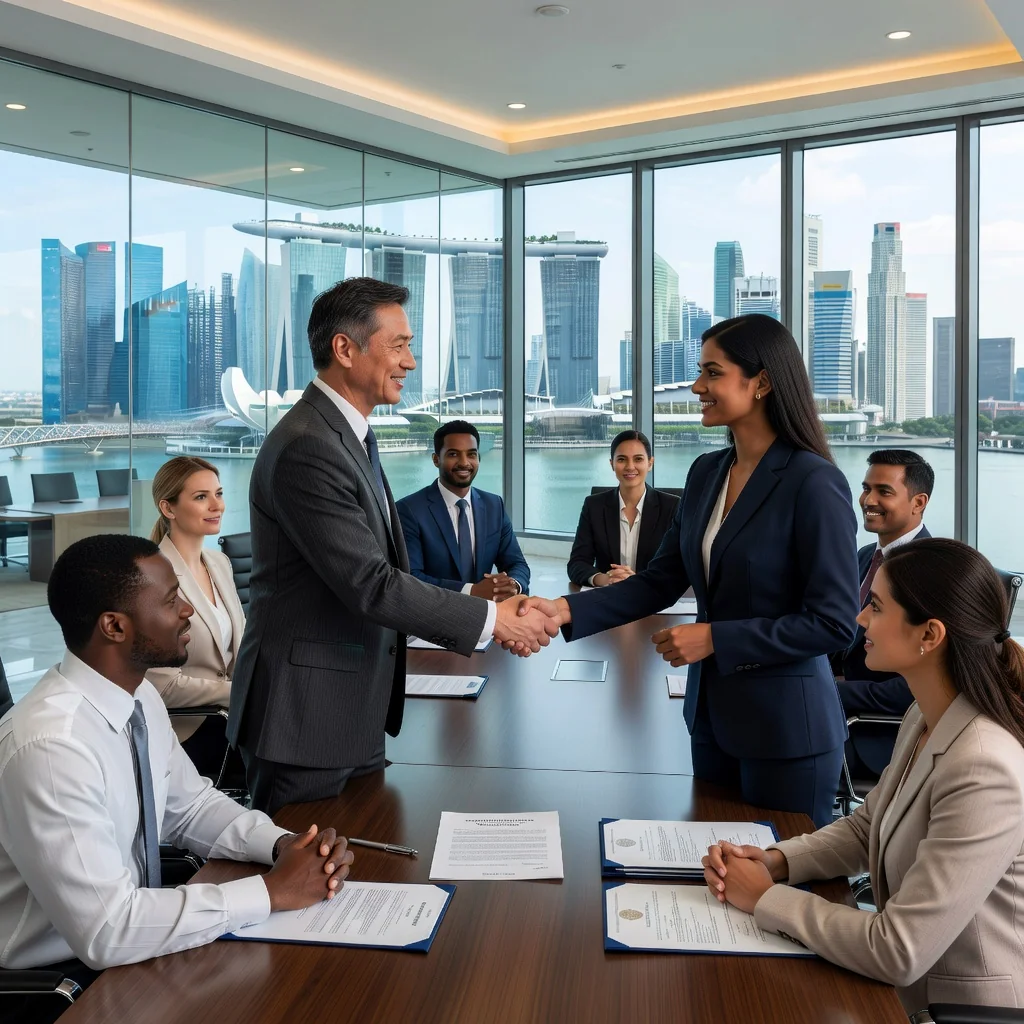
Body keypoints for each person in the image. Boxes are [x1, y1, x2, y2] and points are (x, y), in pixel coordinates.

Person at [228, 277, 556, 815]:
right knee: (310, 883)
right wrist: (494, 619)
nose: (410, 362)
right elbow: (371, 583)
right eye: (399, 344)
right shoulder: (309, 446)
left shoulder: (351, 434)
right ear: (345, 348)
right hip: (304, 718)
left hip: (351, 706)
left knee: (362, 865)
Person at [521, 314, 859, 826]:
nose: (697, 386)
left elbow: (834, 623)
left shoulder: (814, 483)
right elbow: (659, 581)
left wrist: (716, 638)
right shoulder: (706, 474)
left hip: (788, 731)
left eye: (711, 373)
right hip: (710, 719)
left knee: (778, 890)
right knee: (713, 874)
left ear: (762, 382)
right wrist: (564, 609)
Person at [0, 535, 352, 1022]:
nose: (188, 608)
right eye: (170, 599)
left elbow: (189, 807)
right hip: (63, 987)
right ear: (115, 626)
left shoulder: (138, 698)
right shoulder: (52, 747)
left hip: (136, 947)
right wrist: (271, 892)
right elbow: (108, 930)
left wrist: (282, 845)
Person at [702, 538, 1024, 1016]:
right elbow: (865, 825)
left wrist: (767, 899)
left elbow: (898, 949)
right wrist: (775, 861)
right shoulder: (926, 713)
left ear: (929, 635)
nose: (859, 619)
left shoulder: (984, 766)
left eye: (875, 606)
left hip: (959, 1009)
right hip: (902, 994)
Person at [146, 456, 244, 778]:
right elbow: (159, 684)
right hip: (188, 729)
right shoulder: (151, 576)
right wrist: (238, 693)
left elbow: (237, 652)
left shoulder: (219, 564)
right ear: (168, 508)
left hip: (235, 719)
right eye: (201, 497)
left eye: (218, 494)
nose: (216, 506)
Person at [838, 449, 933, 777]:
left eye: (884, 492)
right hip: (843, 717)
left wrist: (831, 691)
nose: (868, 500)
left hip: (878, 736)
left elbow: (917, 685)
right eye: (866, 488)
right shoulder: (866, 556)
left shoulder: (929, 573)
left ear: (918, 503)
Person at [397, 419, 530, 600]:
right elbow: (411, 578)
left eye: (471, 454)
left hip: (489, 618)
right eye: (453, 454)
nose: (464, 462)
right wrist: (472, 591)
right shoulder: (409, 510)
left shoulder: (494, 505)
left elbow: (517, 563)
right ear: (436, 459)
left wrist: (513, 585)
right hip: (435, 619)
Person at [566, 429, 680, 588]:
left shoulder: (672, 507)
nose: (630, 466)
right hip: (608, 598)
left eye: (638, 459)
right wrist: (604, 579)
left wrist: (638, 580)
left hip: (654, 598)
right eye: (621, 459)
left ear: (650, 463)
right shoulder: (594, 506)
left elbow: (678, 566)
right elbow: (577, 563)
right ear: (612, 464)